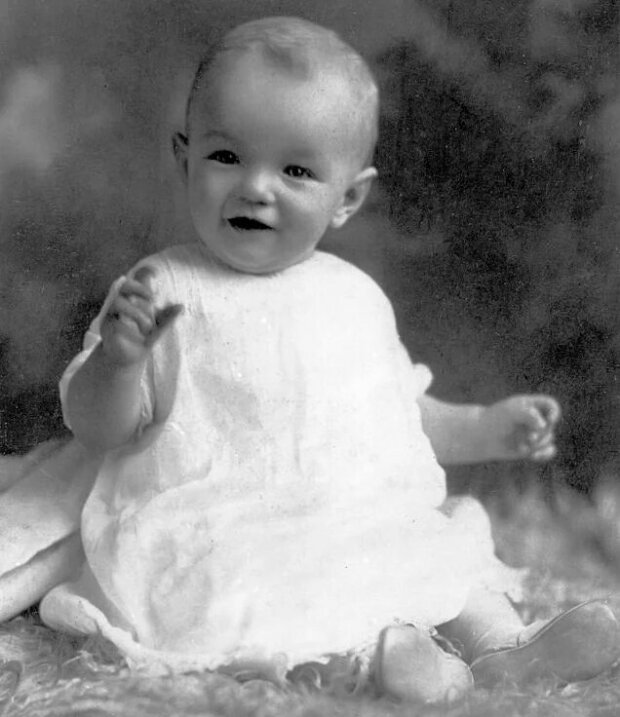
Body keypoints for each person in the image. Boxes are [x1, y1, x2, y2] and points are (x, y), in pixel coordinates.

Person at [3, 15, 618, 704]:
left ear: (347, 198)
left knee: (439, 553)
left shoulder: (353, 296)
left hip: (350, 513)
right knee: (240, 595)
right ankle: (378, 666)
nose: (255, 187)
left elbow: (398, 416)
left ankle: (503, 647)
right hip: (219, 519)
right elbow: (98, 429)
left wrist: (489, 427)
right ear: (185, 159)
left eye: (295, 170)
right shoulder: (162, 289)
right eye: (226, 157)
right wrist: (119, 362)